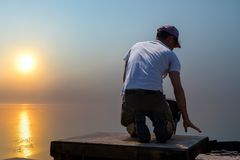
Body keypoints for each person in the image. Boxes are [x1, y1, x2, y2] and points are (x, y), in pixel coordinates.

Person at [121, 24, 201, 143]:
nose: (173, 48)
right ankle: (164, 126)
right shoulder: (170, 55)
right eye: (174, 45)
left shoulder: (136, 46)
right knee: (169, 118)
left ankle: (136, 125)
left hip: (130, 94)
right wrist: (186, 118)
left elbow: (126, 76)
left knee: (128, 122)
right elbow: (178, 89)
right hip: (153, 96)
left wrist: (126, 98)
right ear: (170, 39)